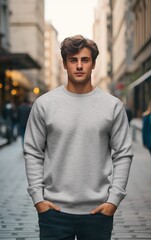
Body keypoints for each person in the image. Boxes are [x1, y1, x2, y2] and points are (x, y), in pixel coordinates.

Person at [24, 35, 133, 240]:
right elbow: (32, 151)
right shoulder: (44, 104)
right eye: (73, 60)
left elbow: (124, 153)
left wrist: (113, 200)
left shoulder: (112, 106)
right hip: (53, 212)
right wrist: (38, 199)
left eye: (85, 60)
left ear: (93, 64)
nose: (79, 66)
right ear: (65, 64)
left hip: (98, 212)